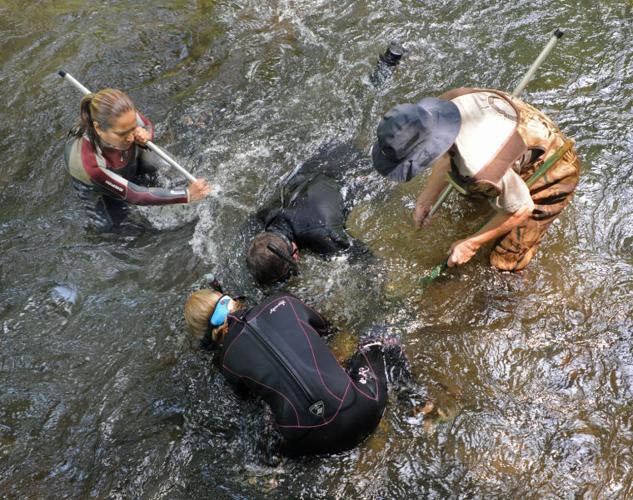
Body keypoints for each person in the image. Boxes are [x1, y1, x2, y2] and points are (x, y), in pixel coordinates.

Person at [372, 88, 580, 272]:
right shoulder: (444, 105)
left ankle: (518, 291)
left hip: (553, 164)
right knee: (473, 191)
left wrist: (471, 244)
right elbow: (446, 152)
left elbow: (522, 208)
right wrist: (426, 199)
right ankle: (502, 187)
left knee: (504, 260)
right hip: (517, 122)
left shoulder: (479, 166)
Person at [184, 288, 407, 456]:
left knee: (262, 415)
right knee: (377, 334)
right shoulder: (283, 301)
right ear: (229, 300)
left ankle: (269, 474)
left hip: (308, 443)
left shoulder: (226, 362)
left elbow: (247, 399)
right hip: (364, 409)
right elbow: (327, 329)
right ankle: (417, 403)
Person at [64, 88, 211, 231]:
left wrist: (146, 135)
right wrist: (186, 195)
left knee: (168, 168)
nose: (131, 137)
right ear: (98, 128)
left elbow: (147, 125)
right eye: (122, 133)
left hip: (129, 159)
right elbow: (134, 194)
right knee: (111, 227)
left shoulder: (125, 116)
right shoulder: (89, 163)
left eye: (133, 128)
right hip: (101, 185)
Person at [246, 145, 359, 285]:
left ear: (295, 253)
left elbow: (361, 256)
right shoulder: (263, 214)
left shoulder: (323, 234)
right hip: (323, 155)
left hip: (352, 167)